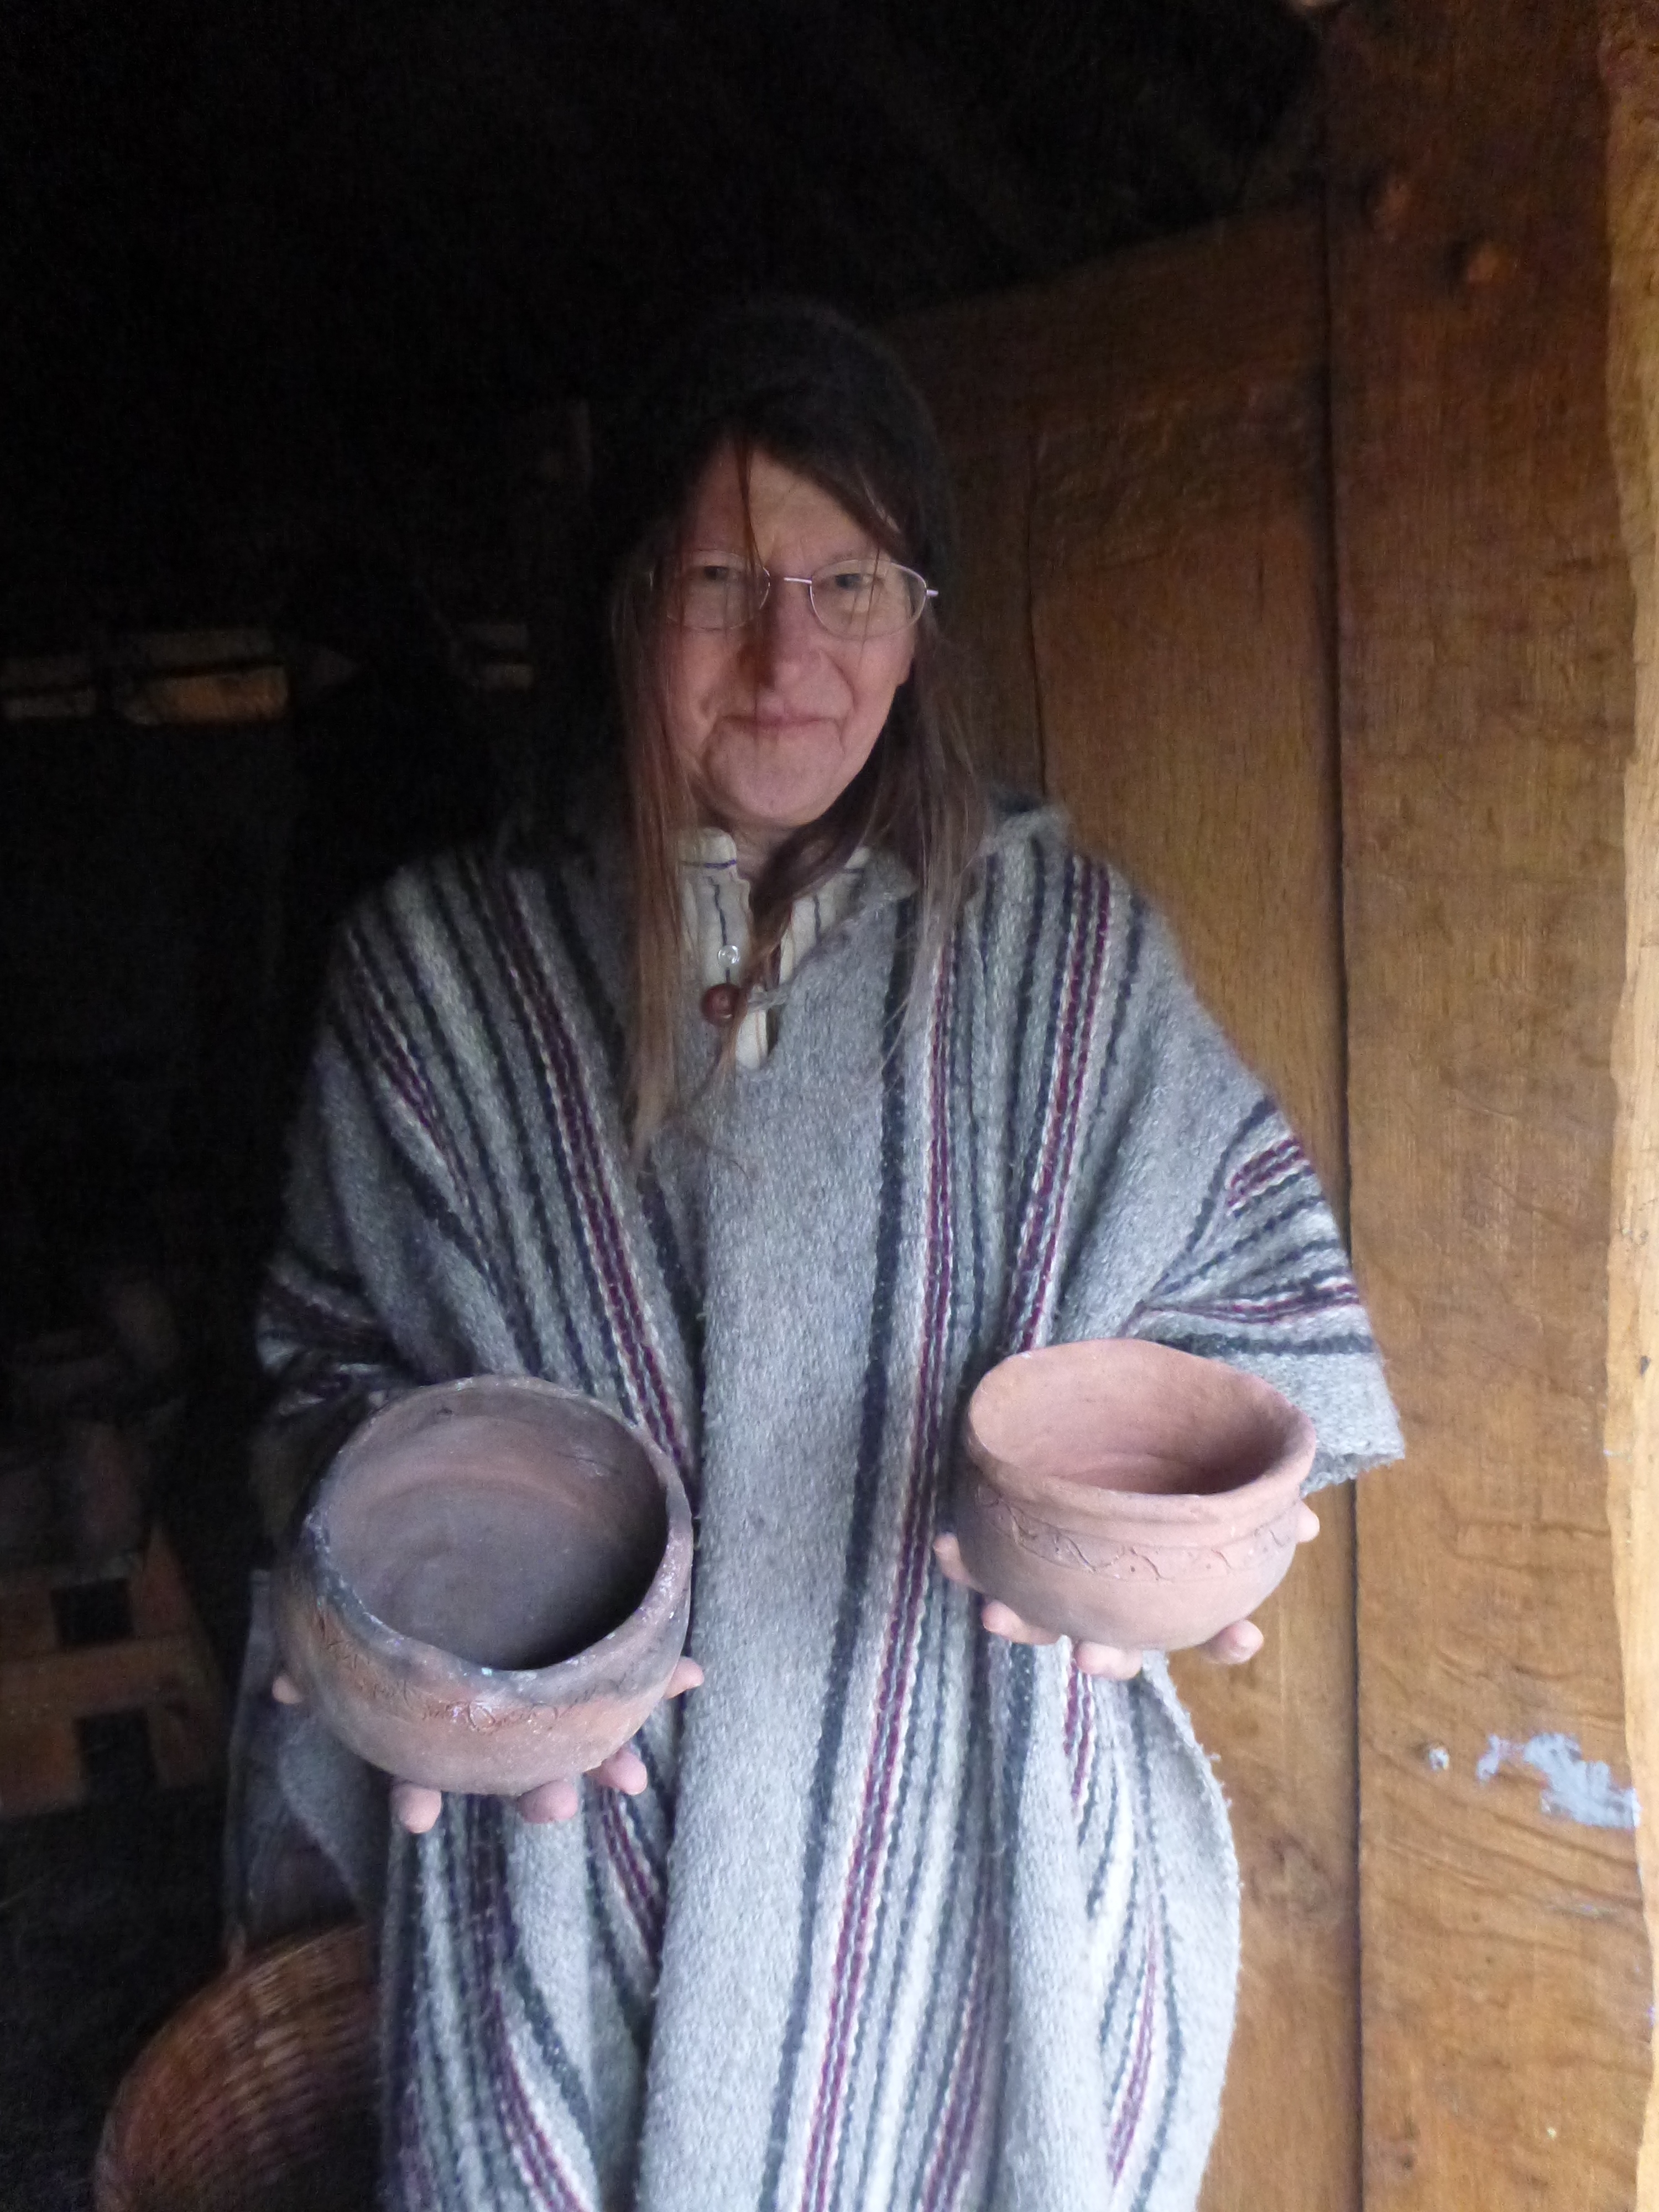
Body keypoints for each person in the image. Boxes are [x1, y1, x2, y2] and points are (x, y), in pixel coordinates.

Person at [244, 298, 1401, 2212]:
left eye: (848, 582)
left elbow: (1259, 1323)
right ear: (626, 605)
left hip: (969, 1856)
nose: (790, 655)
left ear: (919, 621)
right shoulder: (442, 979)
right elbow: (323, 1373)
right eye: (721, 581)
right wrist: (366, 1606)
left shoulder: (1069, 964)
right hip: (567, 1832)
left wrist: (1212, 1536)